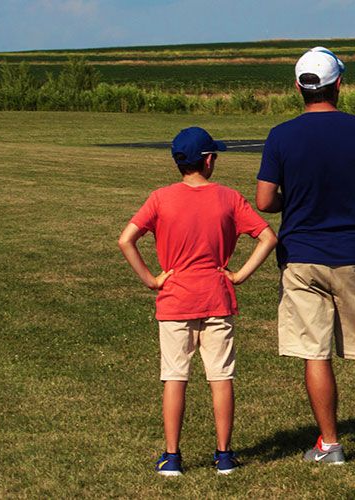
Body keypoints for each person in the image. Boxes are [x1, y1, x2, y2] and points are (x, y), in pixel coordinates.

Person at [255, 47, 355, 464]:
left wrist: (302, 201)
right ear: (338, 84)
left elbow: (265, 200)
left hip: (302, 255)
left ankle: (330, 444)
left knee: (315, 352)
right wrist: (351, 204)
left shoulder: (281, 135)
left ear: (300, 88)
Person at [118, 126, 277, 476]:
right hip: (217, 298)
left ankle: (172, 457)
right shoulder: (229, 198)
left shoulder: (160, 198)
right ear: (208, 161)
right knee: (221, 377)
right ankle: (223, 455)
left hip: (175, 301)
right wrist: (239, 275)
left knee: (175, 376)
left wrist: (152, 279)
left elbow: (126, 239)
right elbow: (267, 237)